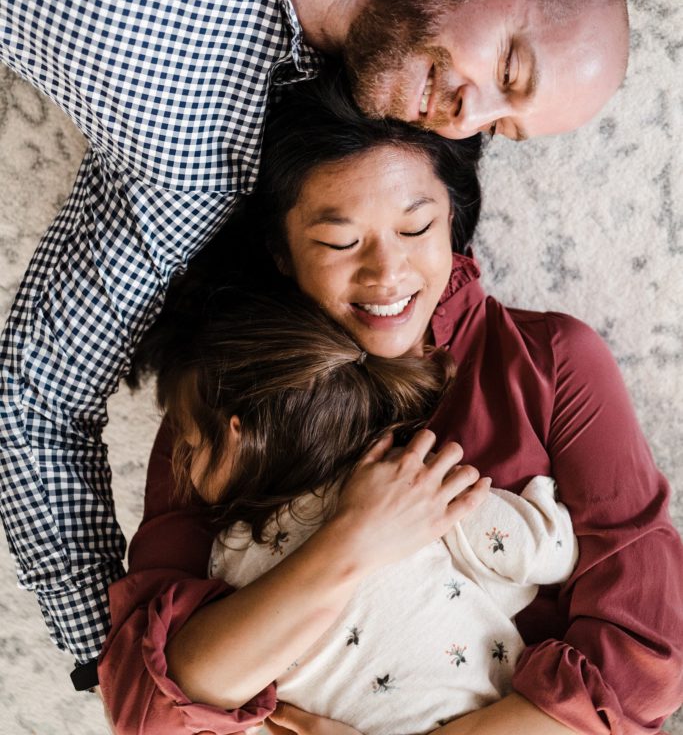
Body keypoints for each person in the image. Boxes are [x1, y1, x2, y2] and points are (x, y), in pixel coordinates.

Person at [0, 0, 631, 691]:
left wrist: (106, 653)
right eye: (507, 64)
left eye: (499, 127)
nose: (467, 116)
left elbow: (34, 397)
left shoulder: (207, 173)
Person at [99, 72, 683, 735]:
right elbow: (150, 709)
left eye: (415, 229)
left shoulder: (552, 360)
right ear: (281, 254)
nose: (386, 276)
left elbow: (642, 665)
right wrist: (353, 542)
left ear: (453, 223)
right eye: (339, 243)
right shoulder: (222, 397)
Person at [122, 287, 579, 735]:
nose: (179, 461)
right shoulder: (405, 486)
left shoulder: (226, 558)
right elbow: (547, 554)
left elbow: (243, 709)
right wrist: (542, 498)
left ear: (237, 434)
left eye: (190, 443)